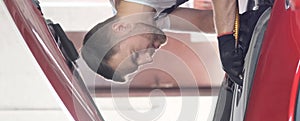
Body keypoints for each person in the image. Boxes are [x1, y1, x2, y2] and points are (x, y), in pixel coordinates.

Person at [81, 0, 241, 83]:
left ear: (121, 28)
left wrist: (225, 38)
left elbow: (223, 19)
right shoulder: (142, 19)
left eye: (135, 55)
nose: (148, 58)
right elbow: (203, 21)